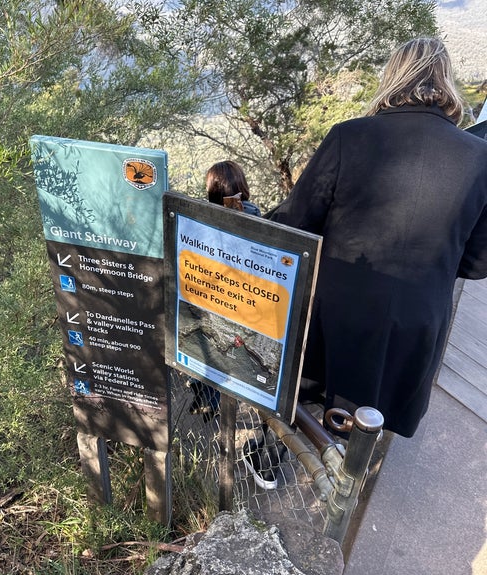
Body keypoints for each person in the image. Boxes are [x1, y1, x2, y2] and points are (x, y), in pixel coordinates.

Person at [270, 37, 487, 438]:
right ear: (447, 81)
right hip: (418, 317)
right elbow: (478, 262)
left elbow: (297, 223)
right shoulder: (480, 158)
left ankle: (291, 460)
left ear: (393, 77)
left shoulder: (348, 137)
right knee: (375, 416)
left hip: (338, 309)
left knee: (314, 399)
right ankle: (351, 470)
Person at [186, 160, 283, 490]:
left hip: (211, 303)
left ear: (211, 189)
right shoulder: (260, 221)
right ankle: (222, 399)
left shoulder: (201, 220)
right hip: (247, 312)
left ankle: (208, 400)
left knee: (209, 349)